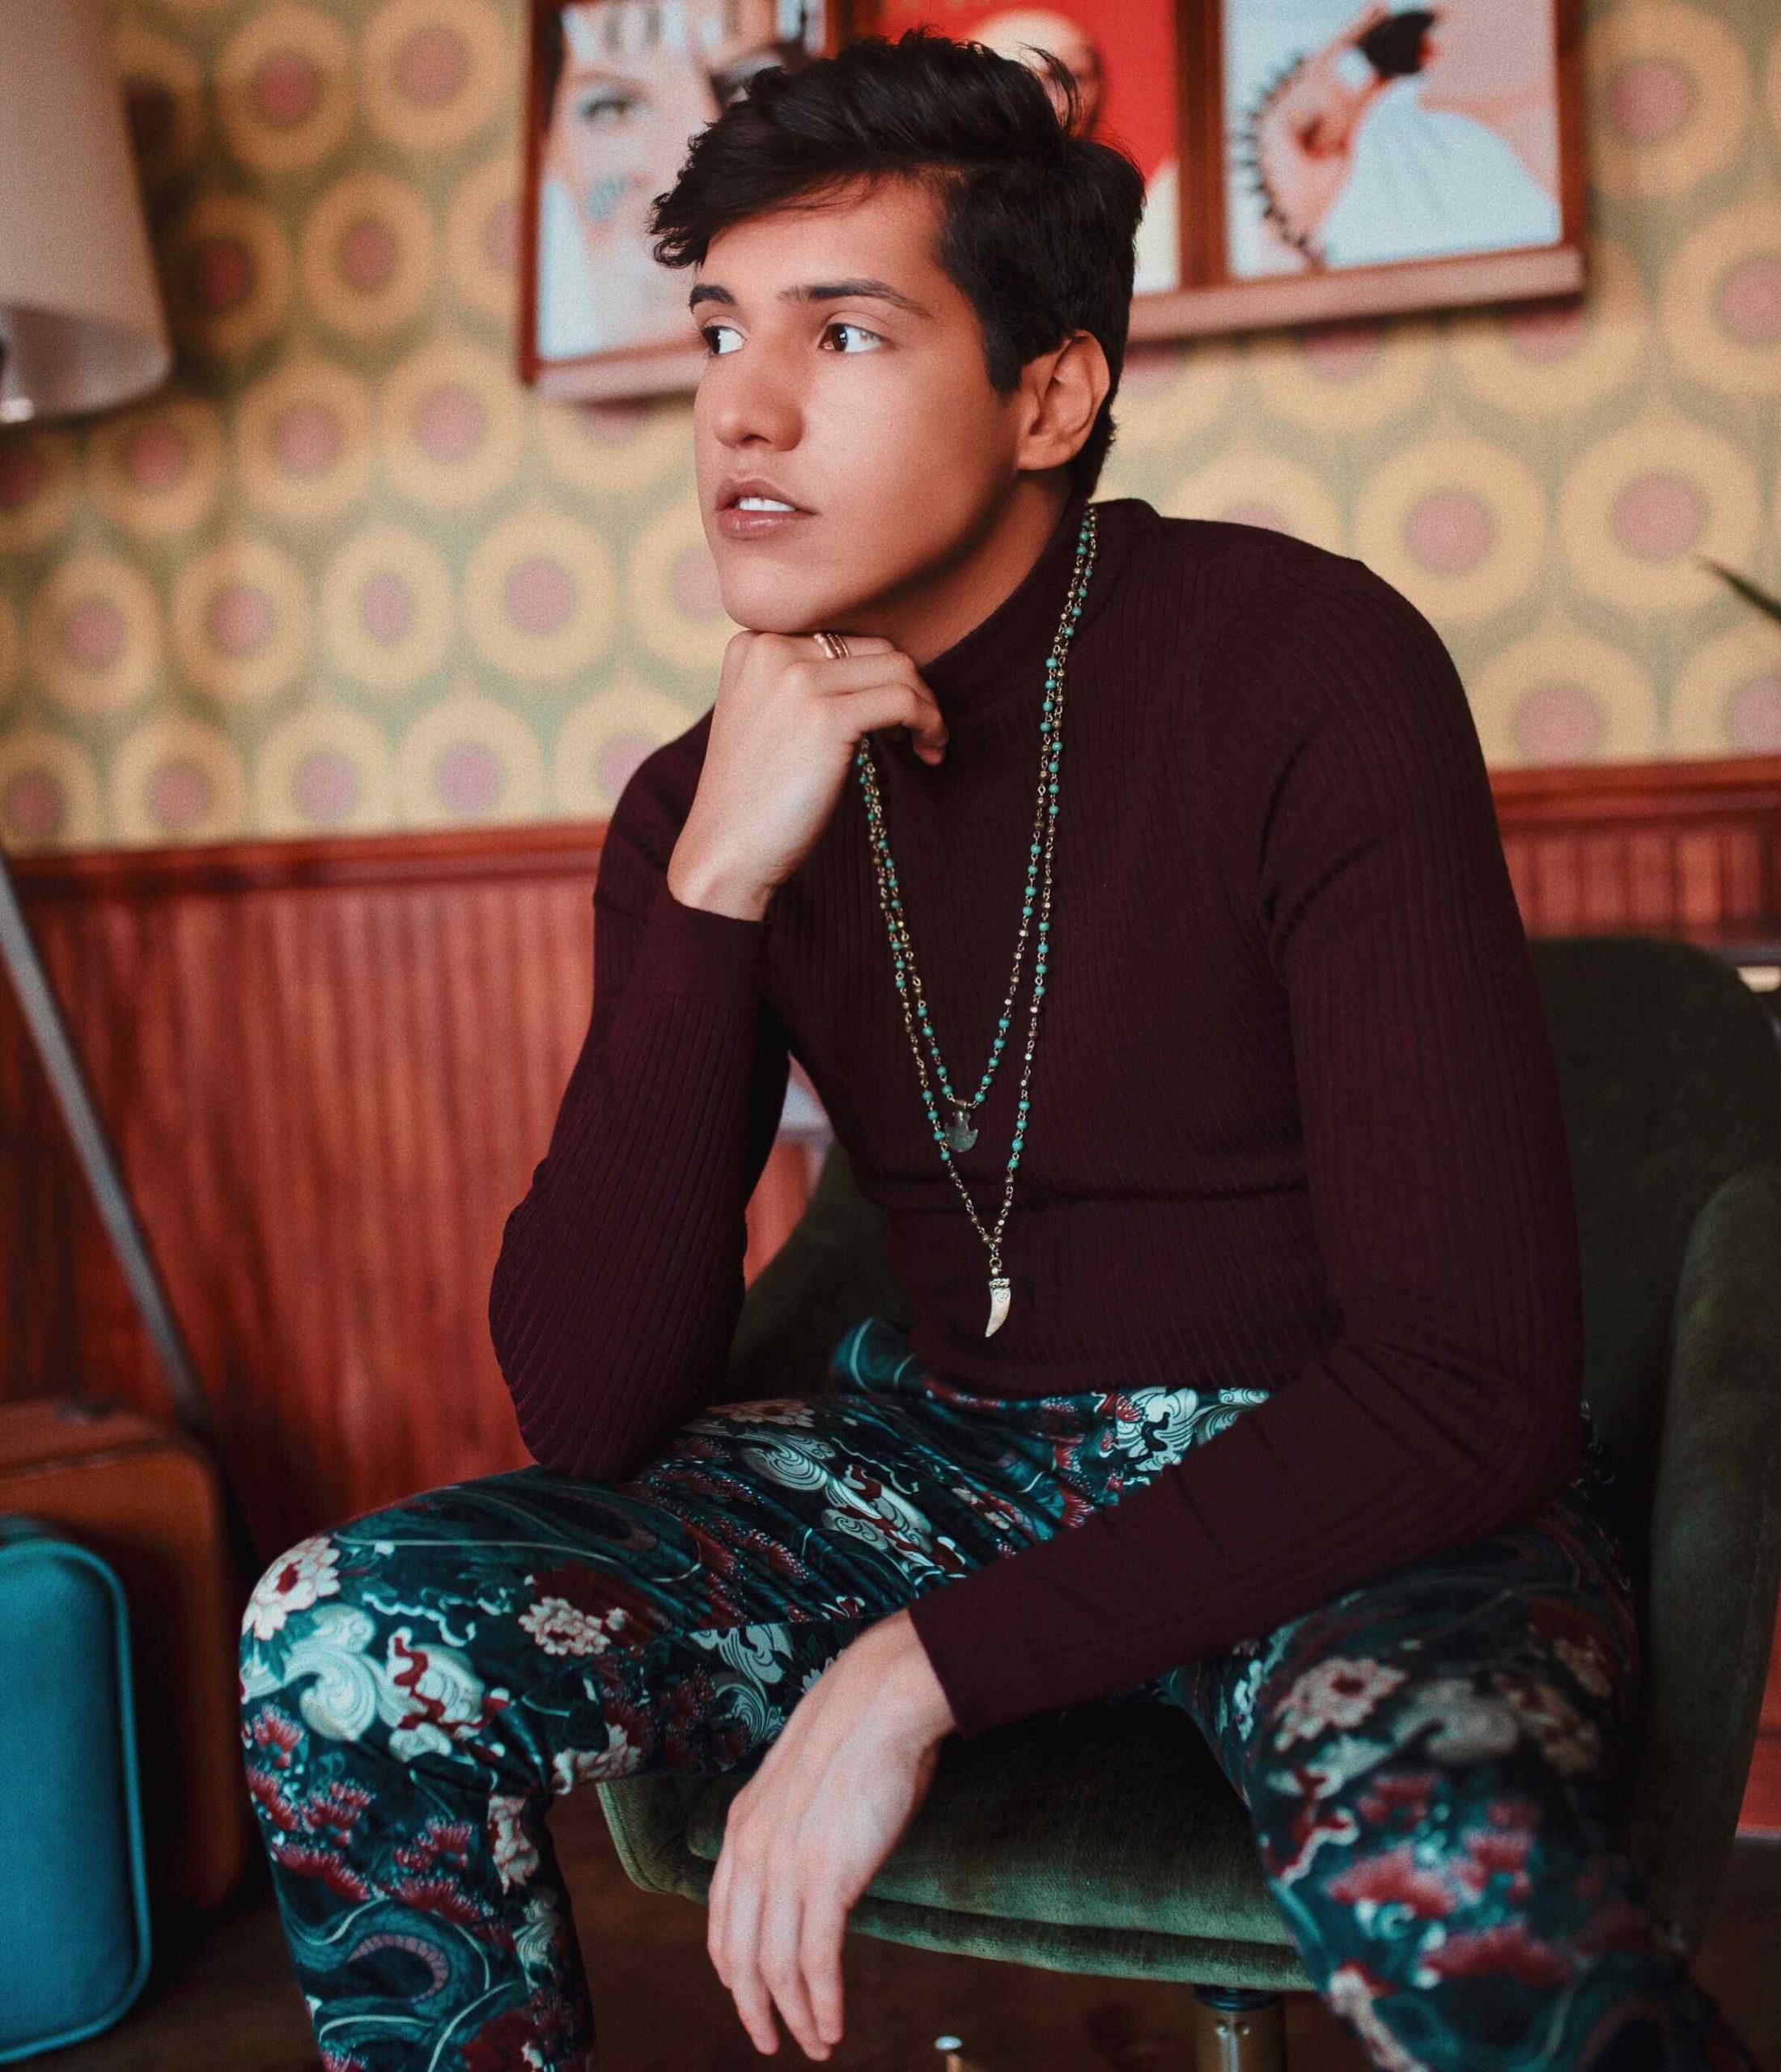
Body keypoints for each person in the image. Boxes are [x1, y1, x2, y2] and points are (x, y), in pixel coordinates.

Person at [240, 28, 1762, 2072]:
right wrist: (713, 885)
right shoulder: (710, 797)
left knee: (1455, 1864)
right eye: (719, 330)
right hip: (945, 1460)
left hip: (1348, 1470)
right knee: (342, 1627)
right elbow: (587, 1404)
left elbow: (1469, 1387)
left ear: (1049, 393)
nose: (743, 406)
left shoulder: (1307, 665)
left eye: (846, 333)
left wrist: (913, 1672)